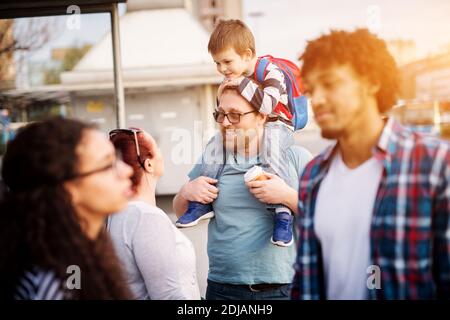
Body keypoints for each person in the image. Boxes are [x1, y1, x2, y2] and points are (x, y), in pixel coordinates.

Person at [291, 29, 450, 300]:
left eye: (329, 84)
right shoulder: (312, 176)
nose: (316, 99)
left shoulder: (433, 164)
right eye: (311, 90)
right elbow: (305, 281)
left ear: (372, 82)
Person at [173, 86, 312, 300]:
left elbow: (326, 219)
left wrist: (286, 197)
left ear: (261, 116)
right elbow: (180, 210)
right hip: (223, 289)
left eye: (235, 115)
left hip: (284, 289)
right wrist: (186, 191)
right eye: (220, 114)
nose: (226, 122)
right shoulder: (213, 159)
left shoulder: (295, 157)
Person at [176, 19, 305, 247]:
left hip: (278, 124)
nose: (222, 69)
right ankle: (203, 201)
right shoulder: (237, 75)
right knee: (217, 142)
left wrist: (240, 82)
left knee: (272, 144)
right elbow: (227, 107)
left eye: (227, 61)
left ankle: (282, 214)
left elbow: (267, 106)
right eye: (217, 63)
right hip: (257, 127)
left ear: (247, 54)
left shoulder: (269, 71)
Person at [0, 116, 134, 300]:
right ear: (67, 190)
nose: (127, 170)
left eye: (117, 157)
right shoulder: (57, 283)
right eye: (107, 165)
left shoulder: (78, 249)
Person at [108, 128, 201, 300]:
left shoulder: (116, 212)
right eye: (157, 148)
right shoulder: (145, 217)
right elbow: (168, 296)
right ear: (148, 164)